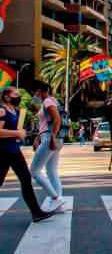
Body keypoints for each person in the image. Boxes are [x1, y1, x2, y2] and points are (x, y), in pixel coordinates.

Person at [0, 86, 55, 223]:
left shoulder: (17, 111)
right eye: (15, 94)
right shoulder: (2, 110)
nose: (18, 97)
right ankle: (36, 212)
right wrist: (16, 133)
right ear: (7, 97)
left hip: (14, 150)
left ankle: (36, 213)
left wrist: (20, 133)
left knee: (26, 179)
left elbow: (16, 130)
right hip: (2, 151)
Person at [29, 79, 67, 213]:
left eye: (33, 92)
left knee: (34, 171)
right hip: (53, 138)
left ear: (39, 91)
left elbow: (57, 119)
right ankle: (59, 205)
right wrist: (37, 138)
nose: (33, 95)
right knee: (52, 172)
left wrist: (51, 136)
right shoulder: (52, 100)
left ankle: (56, 199)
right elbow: (47, 122)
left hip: (51, 138)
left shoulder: (48, 102)